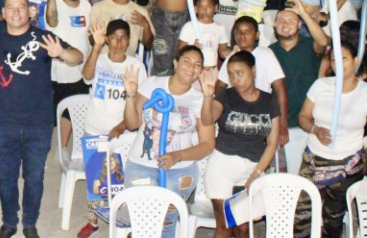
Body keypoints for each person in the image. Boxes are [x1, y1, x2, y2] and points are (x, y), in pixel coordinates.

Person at [0, 0, 83, 238]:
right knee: (6, 178)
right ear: (4, 13)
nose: (16, 11)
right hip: (6, 122)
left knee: (34, 178)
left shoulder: (44, 37)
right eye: (11, 7)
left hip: (38, 124)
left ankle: (29, 223)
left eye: (21, 6)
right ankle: (9, 222)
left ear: (30, 10)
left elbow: (77, 57)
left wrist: (60, 53)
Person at [123, 46, 215, 238]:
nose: (191, 68)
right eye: (187, 62)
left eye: (197, 65)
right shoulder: (153, 84)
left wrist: (178, 155)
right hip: (142, 165)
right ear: (175, 63)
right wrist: (131, 95)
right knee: (145, 220)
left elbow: (207, 144)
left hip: (180, 169)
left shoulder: (200, 99)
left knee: (166, 222)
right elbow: (132, 124)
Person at [76, 19, 146, 238]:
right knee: (94, 183)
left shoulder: (137, 66)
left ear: (128, 41)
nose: (118, 42)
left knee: (120, 183)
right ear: (107, 39)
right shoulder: (99, 58)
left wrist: (122, 126)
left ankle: (125, 224)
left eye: (123, 37)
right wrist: (96, 48)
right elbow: (86, 76)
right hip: (95, 129)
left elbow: (140, 104)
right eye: (114, 37)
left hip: (124, 133)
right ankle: (93, 222)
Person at [201, 51, 280, 238]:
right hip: (222, 168)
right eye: (231, 74)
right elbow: (208, 119)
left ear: (253, 71)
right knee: (225, 227)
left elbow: (272, 142)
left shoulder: (269, 101)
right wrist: (207, 97)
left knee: (244, 229)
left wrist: (256, 173)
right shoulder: (225, 96)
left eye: (240, 73)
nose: (235, 79)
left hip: (253, 169)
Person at [296, 42, 367, 238]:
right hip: (314, 161)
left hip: (347, 165)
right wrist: (315, 129)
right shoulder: (321, 85)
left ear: (356, 61)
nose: (338, 64)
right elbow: (303, 117)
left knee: (333, 220)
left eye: (343, 58)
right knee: (301, 217)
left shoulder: (365, 92)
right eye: (334, 59)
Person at [269, 1, 328, 175]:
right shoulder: (269, 51)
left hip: (310, 124)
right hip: (283, 127)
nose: (285, 25)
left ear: (300, 25)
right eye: (281, 21)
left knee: (311, 175)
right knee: (285, 175)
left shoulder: (309, 45)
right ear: (274, 24)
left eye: (291, 21)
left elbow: (323, 41)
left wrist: (303, 13)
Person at [216, 16, 289, 145]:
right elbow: (220, 86)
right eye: (238, 31)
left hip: (259, 115)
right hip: (234, 114)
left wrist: (282, 125)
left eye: (247, 32)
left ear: (256, 35)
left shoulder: (266, 54)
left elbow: (280, 89)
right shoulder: (232, 57)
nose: (242, 35)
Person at [45, 0, 92, 148]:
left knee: (71, 113)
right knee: (52, 112)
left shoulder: (87, 6)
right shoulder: (54, 2)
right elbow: (52, 21)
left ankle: (62, 147)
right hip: (56, 70)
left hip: (79, 70)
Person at [90, 0, 154, 56]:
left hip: (127, 64)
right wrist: (100, 38)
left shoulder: (140, 12)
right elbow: (91, 40)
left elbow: (148, 44)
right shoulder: (97, 8)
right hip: (102, 62)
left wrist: (146, 26)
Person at [177, 0, 230, 70]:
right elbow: (179, 51)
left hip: (212, 70)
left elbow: (222, 50)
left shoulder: (220, 27)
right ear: (195, 9)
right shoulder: (189, 27)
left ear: (215, 8)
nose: (204, 10)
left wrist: (226, 53)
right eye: (201, 7)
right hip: (192, 70)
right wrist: (192, 48)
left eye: (208, 6)